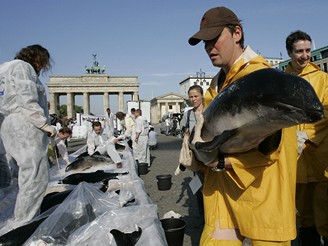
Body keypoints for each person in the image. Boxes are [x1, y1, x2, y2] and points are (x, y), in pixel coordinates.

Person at [186, 6, 297, 245]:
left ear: (237, 33)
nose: (208, 48)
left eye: (214, 39)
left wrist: (220, 161)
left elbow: (272, 148)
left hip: (263, 197)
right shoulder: (214, 87)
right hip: (221, 198)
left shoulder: (262, 80)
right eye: (204, 42)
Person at [0, 44, 56, 230]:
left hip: (8, 123)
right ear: (38, 57)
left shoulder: (3, 68)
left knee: (25, 173)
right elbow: (27, 99)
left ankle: (25, 218)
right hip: (25, 123)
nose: (42, 68)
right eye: (44, 62)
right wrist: (45, 125)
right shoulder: (23, 67)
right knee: (35, 177)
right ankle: (25, 224)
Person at [285, 30, 328, 245]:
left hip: (321, 159)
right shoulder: (282, 82)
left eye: (308, 50)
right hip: (296, 161)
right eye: (299, 51)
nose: (305, 55)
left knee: (326, 214)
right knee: (304, 216)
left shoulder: (323, 79)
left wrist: (308, 135)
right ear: (290, 53)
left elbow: (327, 113)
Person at [180, 85, 205, 216]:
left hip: (208, 153)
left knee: (211, 184)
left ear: (202, 96)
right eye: (191, 97)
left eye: (196, 96)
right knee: (198, 184)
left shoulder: (209, 111)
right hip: (195, 155)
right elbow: (184, 133)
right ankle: (202, 213)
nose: (193, 99)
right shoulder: (188, 114)